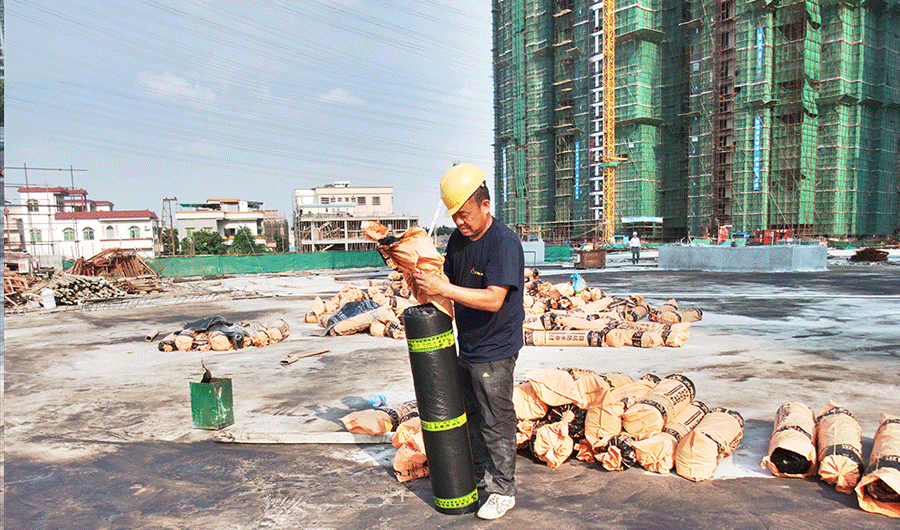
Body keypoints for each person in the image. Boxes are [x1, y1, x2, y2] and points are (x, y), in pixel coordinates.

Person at [414, 163, 525, 520]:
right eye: (455, 216)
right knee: (473, 416)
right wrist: (421, 280)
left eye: (465, 214)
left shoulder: (503, 243)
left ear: (485, 205)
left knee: (495, 418)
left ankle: (503, 490)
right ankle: (480, 476)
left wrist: (444, 289)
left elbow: (494, 299)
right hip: (470, 344)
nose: (459, 222)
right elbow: (446, 283)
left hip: (497, 348)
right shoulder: (459, 241)